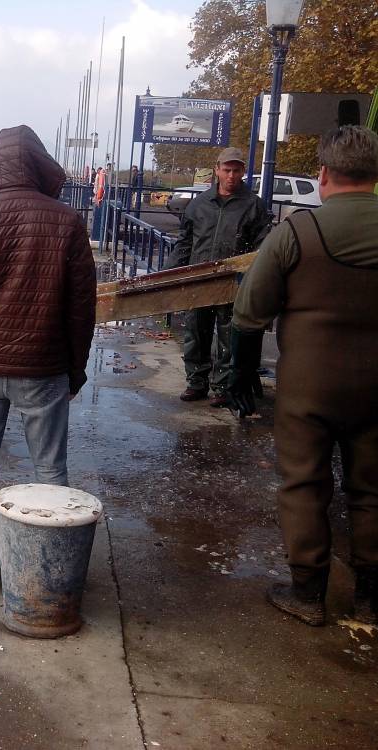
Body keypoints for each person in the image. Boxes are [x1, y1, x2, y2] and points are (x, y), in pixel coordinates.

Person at [229, 126, 378, 626]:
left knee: (304, 484)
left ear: (323, 174)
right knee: (371, 488)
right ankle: (370, 599)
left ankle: (308, 594)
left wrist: (242, 375)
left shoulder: (297, 231)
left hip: (309, 384)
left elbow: (250, 311)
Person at [0, 125, 97, 589]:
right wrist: (75, 368)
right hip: (44, 368)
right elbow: (80, 308)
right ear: (36, 162)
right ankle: (46, 569)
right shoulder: (67, 222)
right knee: (49, 469)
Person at [169, 146, 271, 406]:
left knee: (228, 335)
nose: (232, 175)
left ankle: (222, 386)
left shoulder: (254, 206)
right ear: (217, 170)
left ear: (243, 172)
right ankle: (196, 382)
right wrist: (171, 272)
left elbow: (263, 245)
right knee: (196, 333)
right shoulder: (199, 205)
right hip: (199, 279)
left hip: (233, 282)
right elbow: (185, 242)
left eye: (237, 170)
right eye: (227, 170)